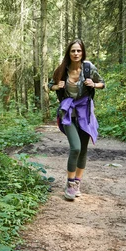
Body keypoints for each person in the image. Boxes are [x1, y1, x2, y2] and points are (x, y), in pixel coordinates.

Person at [49, 39, 105, 201]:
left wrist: (94, 84)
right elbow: (49, 85)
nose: (76, 54)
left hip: (84, 112)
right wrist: (56, 87)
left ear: (82, 53)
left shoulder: (88, 68)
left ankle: (77, 182)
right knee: (75, 148)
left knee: (83, 149)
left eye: (78, 51)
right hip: (67, 114)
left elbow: (102, 83)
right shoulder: (61, 70)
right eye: (73, 51)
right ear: (69, 53)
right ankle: (69, 183)